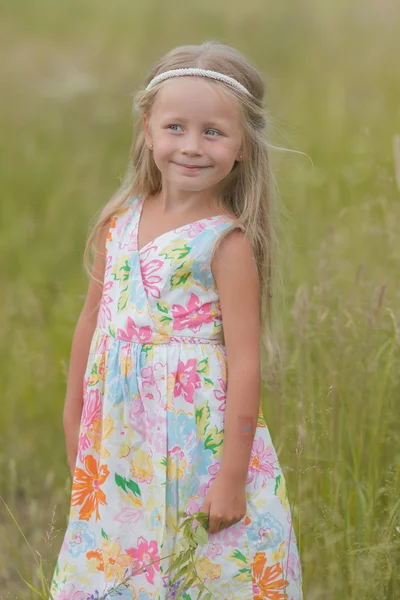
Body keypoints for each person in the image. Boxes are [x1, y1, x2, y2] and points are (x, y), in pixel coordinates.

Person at [50, 40, 303, 600]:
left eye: (213, 132)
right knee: (121, 566)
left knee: (206, 572)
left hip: (199, 448)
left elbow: (245, 362)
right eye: (176, 128)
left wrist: (232, 477)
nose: (191, 147)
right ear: (148, 128)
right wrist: (74, 420)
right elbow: (91, 325)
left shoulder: (225, 244)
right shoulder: (117, 224)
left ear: (241, 147)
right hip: (120, 440)